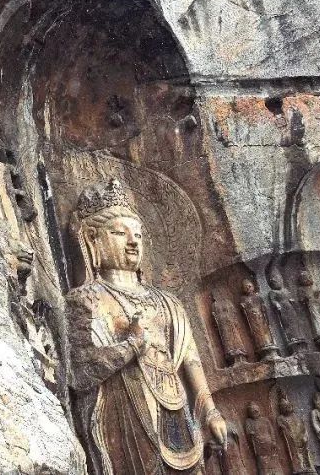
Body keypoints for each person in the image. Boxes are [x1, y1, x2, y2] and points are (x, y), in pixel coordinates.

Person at [67, 179, 227, 475]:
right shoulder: (87, 299)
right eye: (119, 233)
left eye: (138, 234)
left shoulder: (168, 302)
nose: (133, 242)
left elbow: (190, 361)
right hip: (123, 414)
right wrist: (131, 345)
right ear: (92, 239)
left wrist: (209, 411)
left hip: (176, 409)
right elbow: (80, 371)